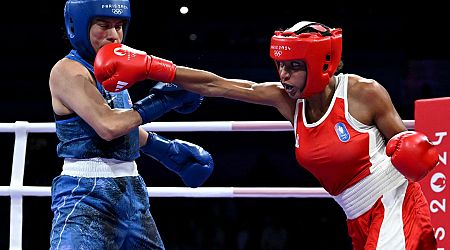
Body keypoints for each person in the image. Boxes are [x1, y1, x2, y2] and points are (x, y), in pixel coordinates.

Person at [94, 21, 440, 249]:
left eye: (294, 67)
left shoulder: (364, 93)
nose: (284, 75)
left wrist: (413, 152)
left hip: (395, 205)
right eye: (281, 66)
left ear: (321, 64)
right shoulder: (287, 101)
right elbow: (219, 85)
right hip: (356, 217)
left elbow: (406, 150)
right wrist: (151, 66)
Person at [48, 0, 214, 249]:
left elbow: (124, 125)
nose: (113, 35)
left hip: (132, 190)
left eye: (119, 26)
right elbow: (108, 125)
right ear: (78, 26)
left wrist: (166, 150)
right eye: (103, 25)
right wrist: (162, 102)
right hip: (85, 193)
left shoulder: (115, 70)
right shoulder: (68, 71)